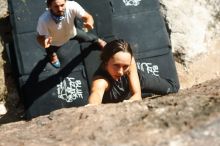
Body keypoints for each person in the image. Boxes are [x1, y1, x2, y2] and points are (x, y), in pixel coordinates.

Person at [88, 39, 179, 105]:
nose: (120, 71)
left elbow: (136, 95)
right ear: (106, 62)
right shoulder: (100, 80)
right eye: (116, 65)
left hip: (139, 81)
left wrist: (132, 100)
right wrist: (92, 106)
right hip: (123, 94)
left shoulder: (129, 60)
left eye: (125, 66)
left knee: (173, 88)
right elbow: (96, 93)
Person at [36, 0, 106, 68]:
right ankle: (53, 56)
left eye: (62, 5)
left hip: (71, 33)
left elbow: (88, 17)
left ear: (66, 2)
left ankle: (98, 40)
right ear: (49, 6)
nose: (60, 9)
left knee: (87, 37)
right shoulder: (43, 20)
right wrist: (44, 43)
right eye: (56, 6)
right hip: (54, 41)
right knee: (50, 50)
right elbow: (39, 37)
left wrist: (89, 22)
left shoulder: (72, 5)